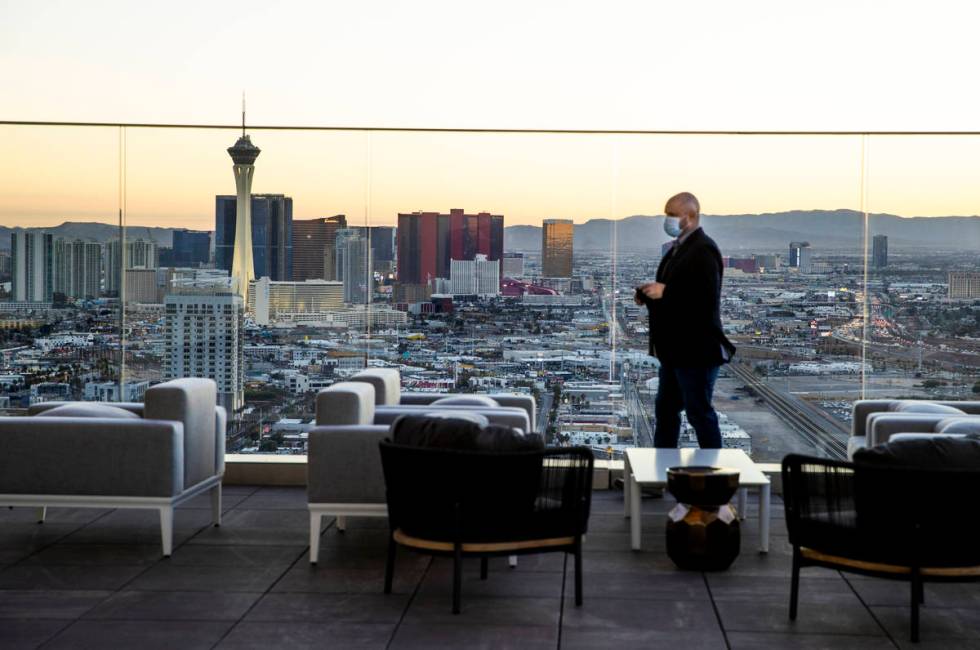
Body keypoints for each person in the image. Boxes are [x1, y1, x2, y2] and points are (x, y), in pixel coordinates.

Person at [635, 192, 736, 448]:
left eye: (672, 213)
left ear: (689, 216)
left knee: (698, 414)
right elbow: (678, 291)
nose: (667, 219)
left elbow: (704, 299)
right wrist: (649, 295)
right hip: (676, 352)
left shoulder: (703, 249)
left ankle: (714, 479)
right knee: (666, 412)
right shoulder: (679, 249)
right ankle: (660, 475)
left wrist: (665, 292)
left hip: (696, 351)